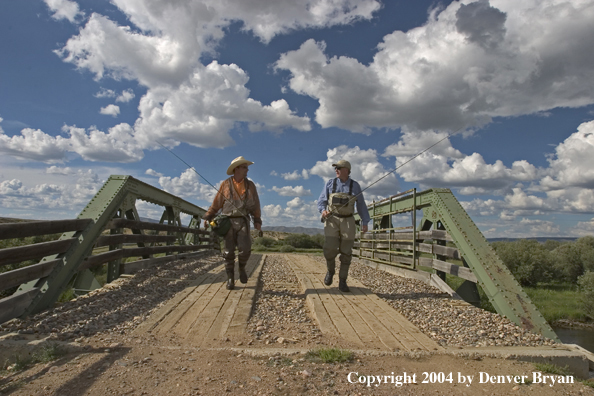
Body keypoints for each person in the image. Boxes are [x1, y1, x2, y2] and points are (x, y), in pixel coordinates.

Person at [203, 156, 262, 290]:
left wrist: (257, 220)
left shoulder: (250, 185)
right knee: (228, 252)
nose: (247, 170)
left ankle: (242, 268)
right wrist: (208, 217)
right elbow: (216, 203)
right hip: (227, 221)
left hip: (243, 221)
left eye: (247, 167)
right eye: (244, 167)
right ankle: (230, 278)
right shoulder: (225, 184)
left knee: (245, 249)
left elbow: (256, 205)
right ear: (237, 169)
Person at [317, 160, 370, 292]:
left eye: (339, 168)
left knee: (346, 252)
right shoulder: (330, 183)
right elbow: (322, 200)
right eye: (335, 168)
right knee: (329, 248)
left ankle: (342, 281)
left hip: (348, 221)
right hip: (331, 220)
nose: (336, 170)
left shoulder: (355, 186)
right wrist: (323, 211)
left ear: (346, 170)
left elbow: (361, 205)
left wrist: (365, 221)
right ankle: (330, 271)